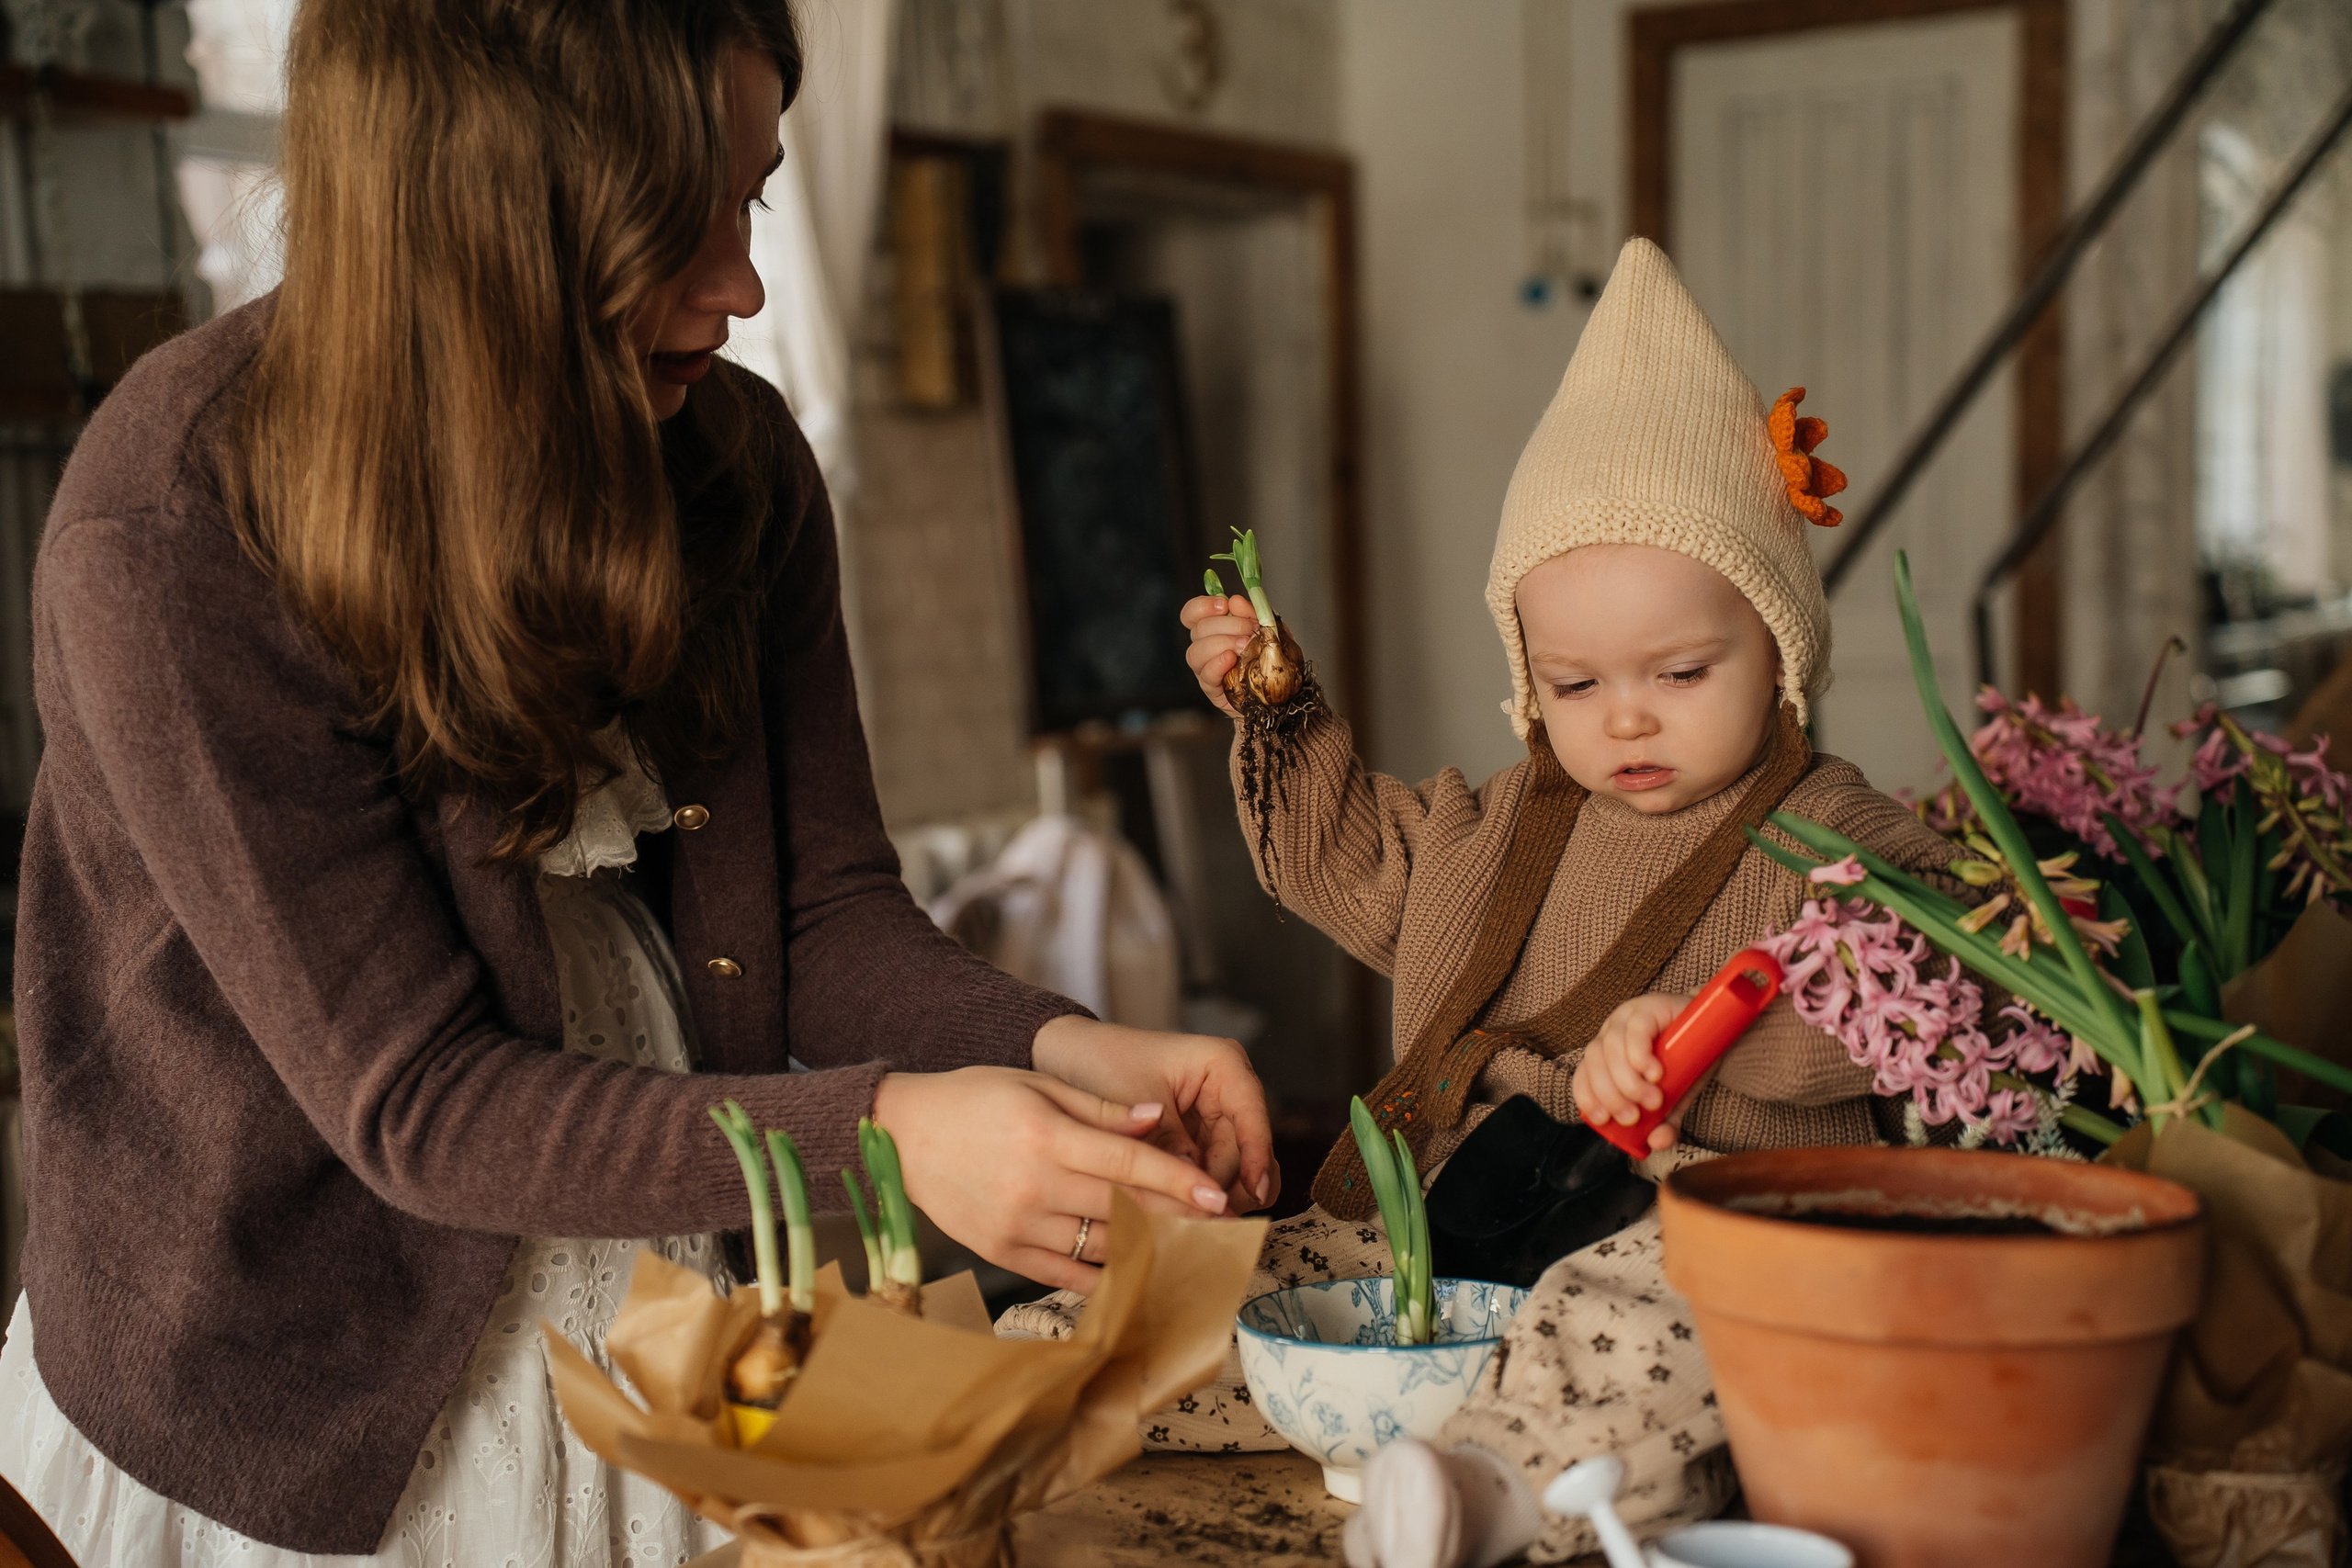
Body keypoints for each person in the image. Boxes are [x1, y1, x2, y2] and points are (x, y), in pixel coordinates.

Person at [0, 3, 1273, 1565]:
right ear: (475, 220)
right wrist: (886, 1134)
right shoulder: (179, 529)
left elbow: (824, 915)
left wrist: (1065, 1049)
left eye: (751, 198)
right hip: (296, 1380)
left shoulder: (733, 460)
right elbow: (418, 1099)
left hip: (667, 1292)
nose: (742, 285)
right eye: (678, 225)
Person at [1167, 238, 1973, 1562]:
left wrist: (1707, 1024)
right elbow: (1341, 858)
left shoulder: (1835, 828)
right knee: (1264, 1291)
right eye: (1578, 685)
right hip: (1460, 1212)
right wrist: (1281, 710)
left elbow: (1925, 987)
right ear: (1529, 677)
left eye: (1681, 670)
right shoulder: (1495, 829)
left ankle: (1479, 1494)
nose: (1629, 717)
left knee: (1653, 1329)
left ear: (1779, 650)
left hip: (1689, 1218)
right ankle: (1091, 1377)